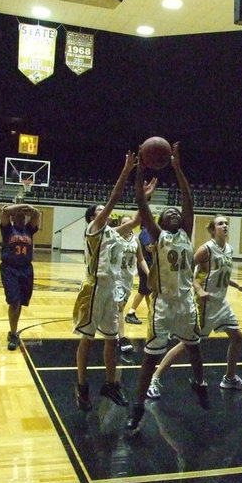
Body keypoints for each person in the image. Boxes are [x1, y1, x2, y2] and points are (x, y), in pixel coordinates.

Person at [126, 142, 205, 431]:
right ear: (158, 222)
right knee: (150, 358)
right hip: (162, 304)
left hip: (185, 302)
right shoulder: (157, 236)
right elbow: (140, 202)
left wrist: (177, 167)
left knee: (194, 348)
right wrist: (139, 172)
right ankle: (137, 407)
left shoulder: (185, 232)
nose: (174, 212)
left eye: (176, 212)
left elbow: (187, 198)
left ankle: (200, 383)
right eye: (168, 212)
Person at [73, 151, 157, 411]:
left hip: (110, 291)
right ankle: (82, 386)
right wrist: (126, 172)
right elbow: (113, 200)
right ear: (92, 218)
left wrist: (145, 197)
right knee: (87, 340)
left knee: (111, 339)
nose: (105, 212)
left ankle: (110, 385)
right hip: (94, 288)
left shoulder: (112, 232)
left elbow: (136, 221)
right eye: (99, 211)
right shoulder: (93, 230)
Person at [146, 214, 242, 400]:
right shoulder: (205, 250)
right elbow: (185, 270)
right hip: (205, 305)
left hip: (221, 303)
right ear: (212, 230)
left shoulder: (229, 249)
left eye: (226, 223)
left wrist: (237, 286)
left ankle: (230, 377)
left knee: (238, 337)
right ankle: (155, 378)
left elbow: (223, 275)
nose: (225, 226)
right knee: (187, 344)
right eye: (220, 224)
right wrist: (198, 289)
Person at [0, 203, 40, 350]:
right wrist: (22, 205)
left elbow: (37, 215)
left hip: (26, 269)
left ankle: (14, 330)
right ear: (14, 216)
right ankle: (13, 333)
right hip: (9, 269)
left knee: (20, 301)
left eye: (24, 216)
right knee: (14, 301)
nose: (22, 218)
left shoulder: (29, 229)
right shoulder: (8, 229)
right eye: (19, 215)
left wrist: (32, 210)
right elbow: (4, 212)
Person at [117, 215, 149, 353]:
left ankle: (112, 332)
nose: (126, 225)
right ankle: (122, 338)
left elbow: (141, 260)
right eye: (123, 223)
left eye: (129, 222)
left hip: (127, 279)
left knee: (120, 307)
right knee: (119, 307)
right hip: (115, 277)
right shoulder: (115, 238)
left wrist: (149, 273)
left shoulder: (135, 240)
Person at [125, 226, 153, 325]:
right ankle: (131, 312)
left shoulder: (146, 232)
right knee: (143, 291)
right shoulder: (146, 231)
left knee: (148, 291)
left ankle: (152, 313)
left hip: (148, 264)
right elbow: (148, 248)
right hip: (147, 264)